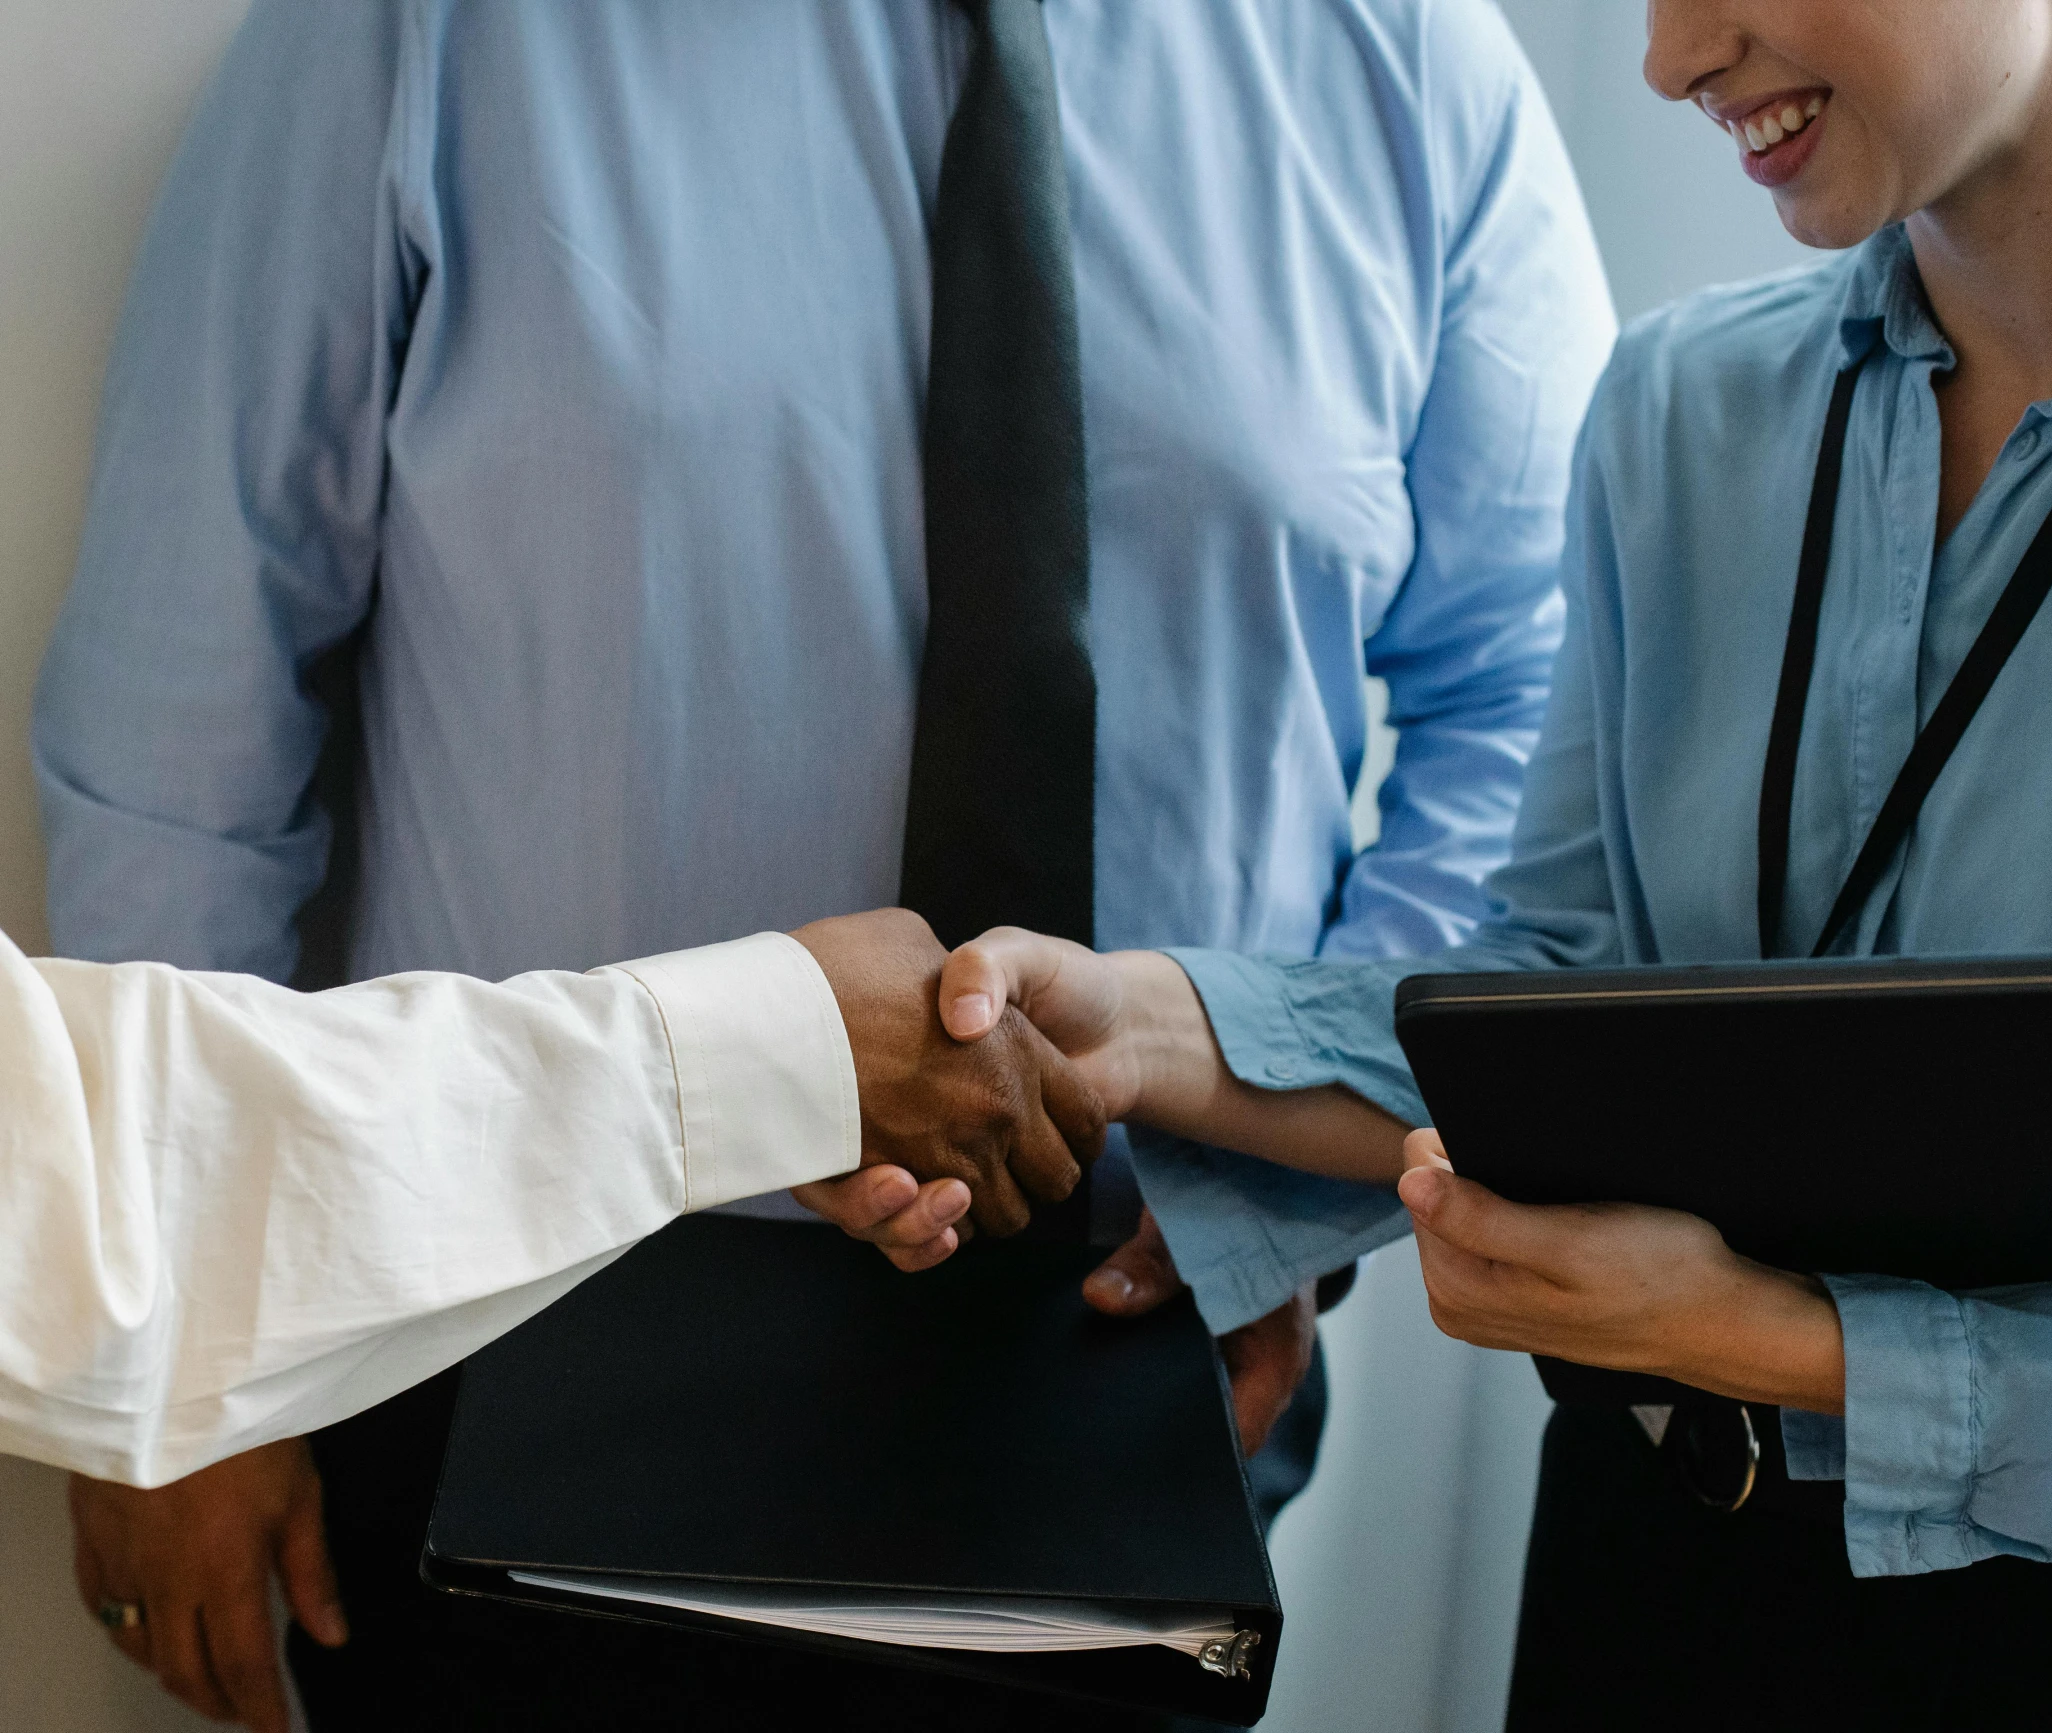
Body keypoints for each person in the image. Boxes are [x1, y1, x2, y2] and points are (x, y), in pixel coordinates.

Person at [32, 1, 1613, 1728]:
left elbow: (1546, 707)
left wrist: (1283, 1188)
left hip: (1123, 1377)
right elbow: (188, 696)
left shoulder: (1413, 64)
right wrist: (179, 1367)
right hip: (504, 1366)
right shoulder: (416, 34)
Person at [935, 0, 2052, 1723]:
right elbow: (1552, 993)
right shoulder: (1679, 406)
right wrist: (1148, 1025)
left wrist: (1779, 1339)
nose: (1668, 59)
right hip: (1648, 1576)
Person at [0, 903, 1094, 1621]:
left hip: (1074, 1394)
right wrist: (775, 1050)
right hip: (458, 1401)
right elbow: (57, 1200)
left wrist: (1241, 1210)